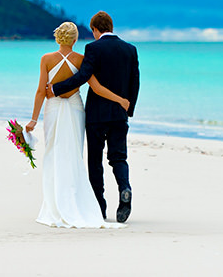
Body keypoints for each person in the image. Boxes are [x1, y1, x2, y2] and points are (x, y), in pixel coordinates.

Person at [26, 21, 128, 228]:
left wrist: (33, 120)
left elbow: (40, 91)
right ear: (74, 39)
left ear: (57, 38)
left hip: (53, 108)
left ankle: (54, 203)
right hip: (75, 109)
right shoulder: (81, 59)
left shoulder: (46, 59)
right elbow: (96, 88)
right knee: (74, 153)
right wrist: (120, 100)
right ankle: (75, 200)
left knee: (53, 153)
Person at [47, 12, 140, 223]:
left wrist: (56, 89)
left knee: (95, 161)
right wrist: (128, 108)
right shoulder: (130, 49)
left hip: (97, 114)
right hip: (119, 113)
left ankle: (99, 206)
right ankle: (125, 188)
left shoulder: (93, 48)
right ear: (111, 26)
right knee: (118, 157)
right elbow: (135, 82)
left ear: (95, 30)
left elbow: (82, 77)